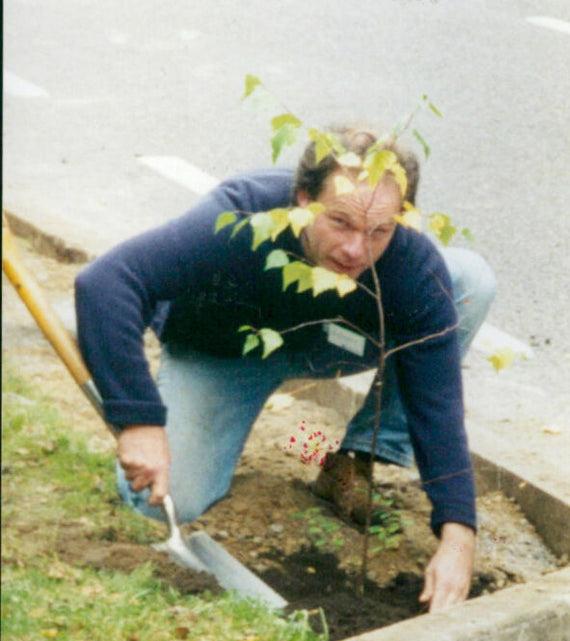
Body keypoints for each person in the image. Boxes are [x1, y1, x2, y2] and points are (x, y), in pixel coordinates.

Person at [74, 127, 497, 612]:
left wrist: (459, 532)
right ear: (302, 200)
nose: (357, 250)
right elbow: (108, 282)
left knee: (467, 282)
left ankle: (354, 459)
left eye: (378, 231)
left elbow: (437, 398)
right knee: (173, 499)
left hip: (331, 344)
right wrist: (139, 421)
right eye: (340, 223)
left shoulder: (406, 259)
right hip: (226, 351)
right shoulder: (242, 216)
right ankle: (279, 432)